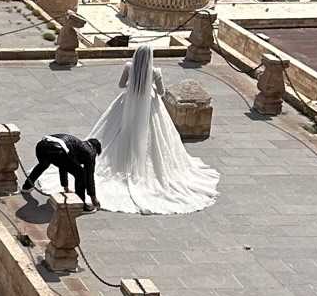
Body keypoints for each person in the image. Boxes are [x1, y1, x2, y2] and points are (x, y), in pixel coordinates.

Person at [87, 43, 220, 216]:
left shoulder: (128, 66)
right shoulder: (156, 72)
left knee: (117, 134)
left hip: (127, 104)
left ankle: (122, 164)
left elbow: (121, 85)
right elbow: (162, 92)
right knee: (153, 140)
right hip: (149, 107)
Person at [21, 133, 102, 206]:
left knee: (43, 164)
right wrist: (93, 197)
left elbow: (63, 166)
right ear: (95, 149)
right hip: (57, 150)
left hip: (41, 146)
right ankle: (80, 205)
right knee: (81, 174)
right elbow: (89, 176)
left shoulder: (77, 145)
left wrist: (65, 187)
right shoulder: (90, 152)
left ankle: (26, 186)